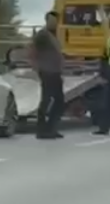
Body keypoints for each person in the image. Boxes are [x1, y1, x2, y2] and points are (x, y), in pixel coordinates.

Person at [29, 11, 65, 140]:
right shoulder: (42, 35)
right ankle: (42, 130)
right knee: (46, 101)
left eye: (55, 21)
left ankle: (51, 128)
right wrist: (36, 67)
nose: (53, 23)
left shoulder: (53, 35)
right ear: (46, 21)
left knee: (59, 101)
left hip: (55, 72)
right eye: (51, 21)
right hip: (47, 72)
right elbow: (33, 49)